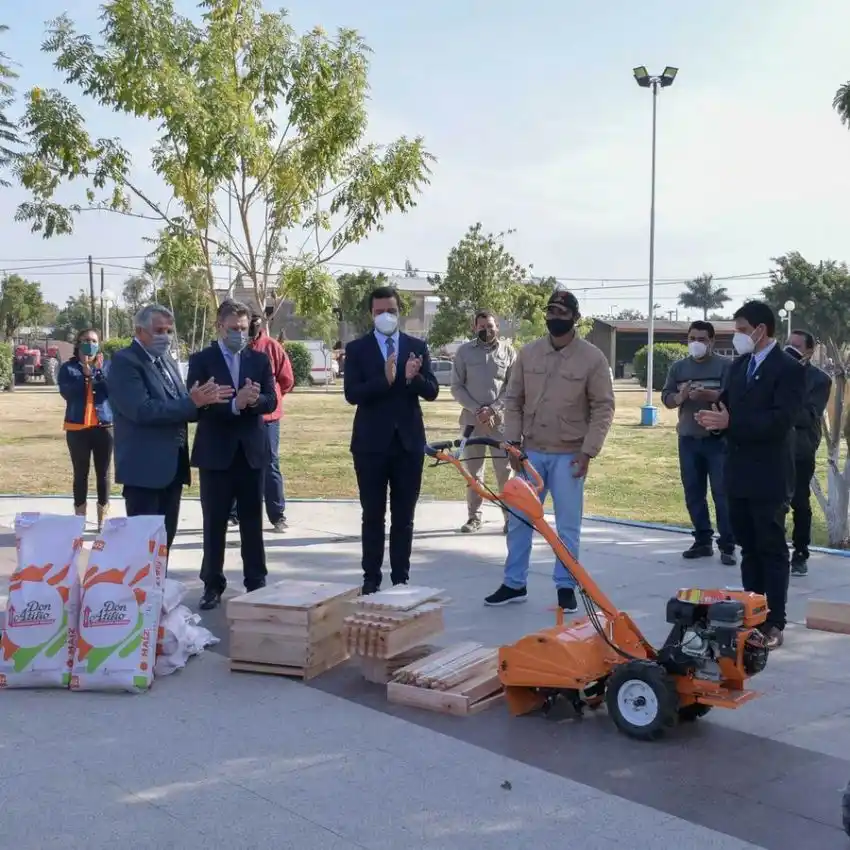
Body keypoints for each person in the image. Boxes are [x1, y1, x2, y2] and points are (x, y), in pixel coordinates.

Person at [484, 289, 615, 612]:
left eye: (561, 312)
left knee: (567, 526)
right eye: (550, 311)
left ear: (575, 318)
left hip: (570, 455)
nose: (554, 317)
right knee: (519, 520)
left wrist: (588, 452)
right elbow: (513, 401)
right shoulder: (528, 354)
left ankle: (565, 586)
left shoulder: (592, 358)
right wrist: (512, 443)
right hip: (530, 454)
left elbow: (603, 407)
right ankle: (514, 583)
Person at [696, 300, 805, 650]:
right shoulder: (738, 365)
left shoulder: (788, 369)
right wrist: (714, 423)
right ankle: (752, 611)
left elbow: (780, 421)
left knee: (771, 548)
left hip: (770, 474)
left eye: (742, 330)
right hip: (738, 473)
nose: (737, 336)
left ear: (761, 330)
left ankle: (775, 622)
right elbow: (725, 408)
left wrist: (731, 423)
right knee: (748, 547)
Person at [108, 305, 231, 552]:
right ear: (140, 331)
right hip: (143, 471)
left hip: (172, 469)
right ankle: (141, 592)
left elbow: (182, 401)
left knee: (165, 542)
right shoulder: (125, 362)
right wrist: (191, 402)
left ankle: (158, 590)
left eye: (168, 330)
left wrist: (204, 401)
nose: (165, 337)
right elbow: (142, 410)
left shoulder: (166, 360)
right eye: (159, 330)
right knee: (143, 548)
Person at [344, 284, 439, 594]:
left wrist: (413, 378)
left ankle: (401, 577)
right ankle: (371, 577)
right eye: (379, 311)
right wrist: (383, 380)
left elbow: (433, 391)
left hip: (408, 444)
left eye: (391, 311)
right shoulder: (358, 349)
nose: (386, 316)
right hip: (370, 445)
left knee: (404, 516)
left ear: (401, 312)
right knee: (372, 514)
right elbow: (352, 394)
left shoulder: (417, 346)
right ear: (371, 314)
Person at [187, 299, 278, 610]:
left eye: (244, 328)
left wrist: (254, 400)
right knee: (214, 522)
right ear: (219, 327)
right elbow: (198, 405)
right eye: (233, 329)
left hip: (251, 453)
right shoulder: (202, 360)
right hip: (216, 454)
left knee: (253, 521)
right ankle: (212, 584)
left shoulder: (259, 360)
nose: (240, 334)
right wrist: (233, 405)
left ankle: (256, 581)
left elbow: (271, 399)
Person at [661, 321, 735, 565]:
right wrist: (680, 396)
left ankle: (727, 545)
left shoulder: (725, 366)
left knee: (722, 493)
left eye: (702, 339)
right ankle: (702, 540)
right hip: (688, 439)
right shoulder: (679, 367)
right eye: (692, 338)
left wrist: (709, 395)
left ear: (712, 342)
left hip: (717, 441)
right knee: (693, 492)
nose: (697, 343)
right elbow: (667, 399)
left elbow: (735, 396)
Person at [450, 310, 516, 534]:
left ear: (497, 326)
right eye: (481, 326)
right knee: (473, 473)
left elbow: (513, 387)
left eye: (490, 326)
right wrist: (477, 409)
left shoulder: (508, 351)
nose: (486, 330)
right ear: (473, 328)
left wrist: (494, 409)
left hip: (500, 423)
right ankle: (473, 518)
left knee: (504, 472)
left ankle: (510, 518)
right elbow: (456, 387)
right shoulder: (464, 352)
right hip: (472, 420)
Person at [227, 314, 295, 532]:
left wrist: (271, 399)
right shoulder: (234, 348)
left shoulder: (272, 347)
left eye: (252, 326)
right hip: (239, 414)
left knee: (270, 463)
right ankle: (233, 513)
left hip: (267, 418)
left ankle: (277, 515)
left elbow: (286, 380)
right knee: (235, 461)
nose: (248, 331)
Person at [785, 330, 831, 577]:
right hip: (773, 447)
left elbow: (807, 414)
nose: (791, 350)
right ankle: (772, 552)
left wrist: (781, 407)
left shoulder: (819, 379)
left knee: (799, 502)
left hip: (801, 449)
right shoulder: (775, 373)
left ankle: (800, 553)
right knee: (772, 502)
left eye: (797, 346)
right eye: (788, 344)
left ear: (809, 351)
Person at [57, 328, 113, 531]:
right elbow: (67, 393)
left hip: (103, 426)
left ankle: (102, 518)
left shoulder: (106, 365)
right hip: (77, 427)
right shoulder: (68, 368)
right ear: (78, 343)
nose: (91, 343)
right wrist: (85, 377)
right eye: (87, 340)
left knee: (103, 473)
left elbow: (111, 391)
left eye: (94, 340)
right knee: (80, 473)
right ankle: (79, 518)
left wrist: (97, 373)